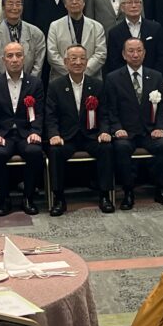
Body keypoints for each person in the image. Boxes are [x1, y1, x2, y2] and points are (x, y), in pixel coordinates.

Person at [104, 38, 163, 209]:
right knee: (121, 148)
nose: (135, 55)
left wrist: (160, 127)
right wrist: (117, 129)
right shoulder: (113, 78)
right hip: (126, 132)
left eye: (139, 50)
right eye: (131, 51)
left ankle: (161, 189)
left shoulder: (156, 76)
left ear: (144, 53)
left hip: (150, 131)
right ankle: (128, 192)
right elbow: (110, 108)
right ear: (123, 54)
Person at [45, 44, 115, 216]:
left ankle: (105, 196)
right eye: (73, 59)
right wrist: (54, 135)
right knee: (55, 151)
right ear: (65, 62)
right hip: (66, 137)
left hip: (91, 135)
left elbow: (104, 114)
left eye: (82, 58)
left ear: (87, 61)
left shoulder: (97, 85)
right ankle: (59, 198)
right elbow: (50, 116)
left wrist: (104, 131)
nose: (78, 62)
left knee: (106, 148)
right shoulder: (55, 86)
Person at [0, 42, 45, 216]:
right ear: (3, 60)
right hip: (4, 134)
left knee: (35, 151)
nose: (14, 59)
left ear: (24, 58)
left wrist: (35, 132)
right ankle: (4, 199)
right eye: (10, 56)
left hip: (26, 133)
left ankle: (28, 197)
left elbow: (39, 113)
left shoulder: (35, 83)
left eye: (18, 55)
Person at [47, 0, 107, 79]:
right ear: (65, 3)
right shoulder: (55, 26)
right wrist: (71, 73)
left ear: (84, 2)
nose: (74, 2)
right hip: (61, 79)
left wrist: (82, 72)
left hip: (91, 78)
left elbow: (101, 54)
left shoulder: (97, 27)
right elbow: (52, 55)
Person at [0, 0, 46, 81]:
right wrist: (0, 83)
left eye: (18, 4)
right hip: (0, 84)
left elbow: (38, 64)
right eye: (10, 4)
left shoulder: (36, 33)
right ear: (3, 7)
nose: (15, 8)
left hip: (29, 84)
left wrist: (29, 83)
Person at [106, 0, 163, 75]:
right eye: (129, 2)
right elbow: (114, 62)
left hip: (152, 76)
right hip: (124, 78)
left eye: (137, 2)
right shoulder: (114, 33)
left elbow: (161, 56)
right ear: (122, 7)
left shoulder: (155, 28)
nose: (134, 6)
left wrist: (153, 76)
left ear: (142, 5)